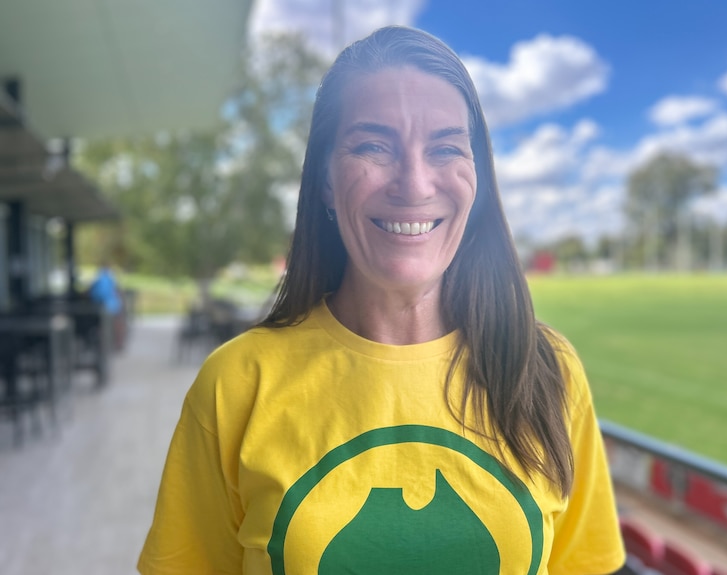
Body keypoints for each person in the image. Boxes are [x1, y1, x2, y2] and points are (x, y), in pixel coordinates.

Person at [139, 26, 624, 575]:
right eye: (373, 146)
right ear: (324, 178)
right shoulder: (237, 384)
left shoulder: (548, 372)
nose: (413, 184)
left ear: (478, 178)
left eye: (445, 148)